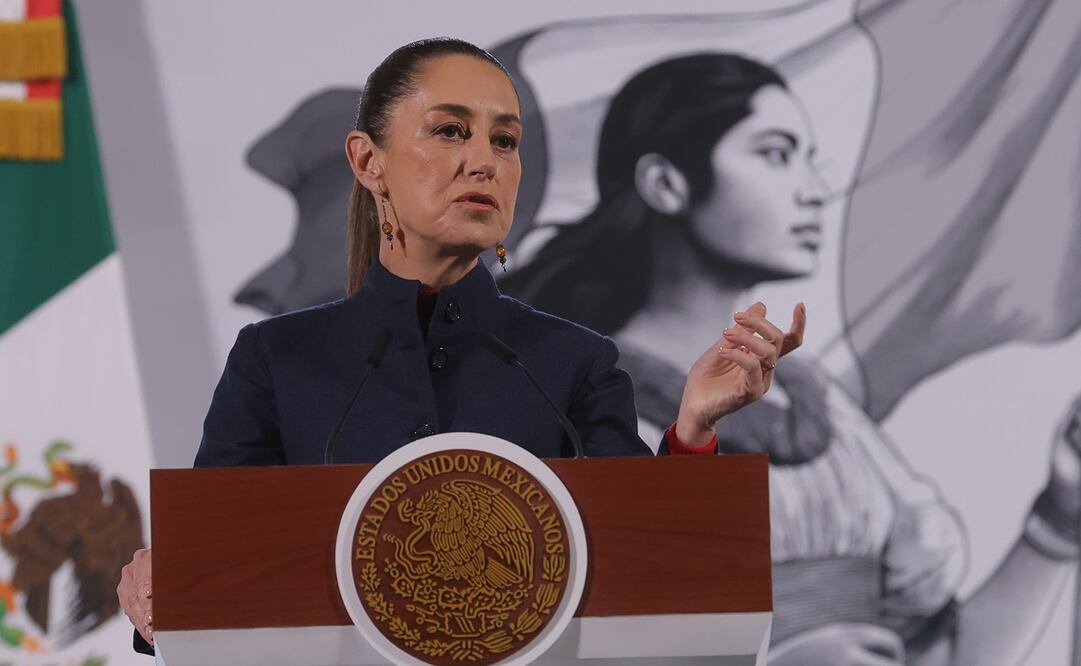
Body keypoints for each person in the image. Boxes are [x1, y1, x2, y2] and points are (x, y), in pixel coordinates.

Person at [115, 39, 805, 655]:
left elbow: (647, 577)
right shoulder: (276, 360)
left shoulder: (575, 364)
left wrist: (691, 429)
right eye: (450, 131)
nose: (484, 161)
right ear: (367, 160)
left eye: (504, 142)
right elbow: (213, 585)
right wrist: (162, 586)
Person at [499, 53, 1081, 665]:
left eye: (810, 158)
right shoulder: (567, 400)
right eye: (776, 154)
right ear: (666, 184)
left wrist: (1060, 520)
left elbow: (947, 656)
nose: (814, 189)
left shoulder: (819, 404)